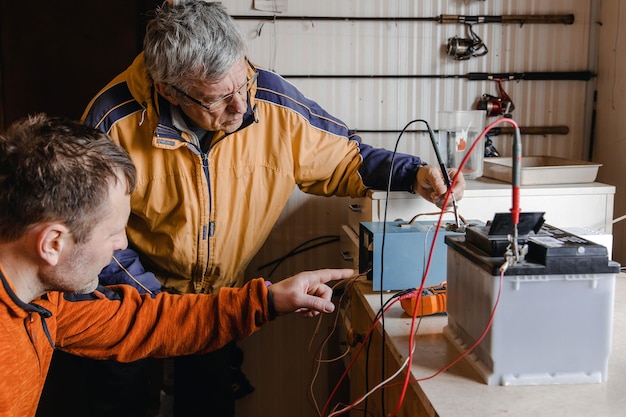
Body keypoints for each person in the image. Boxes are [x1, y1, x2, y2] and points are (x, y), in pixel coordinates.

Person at [42, 1, 467, 416]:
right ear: (167, 89)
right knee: (121, 402)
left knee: (208, 403)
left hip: (215, 300)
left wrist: (414, 174)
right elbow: (89, 234)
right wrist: (161, 308)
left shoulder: (268, 97)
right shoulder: (111, 119)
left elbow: (348, 158)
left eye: (242, 84)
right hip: (128, 298)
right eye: (217, 100)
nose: (242, 108)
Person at [0, 113, 355, 417]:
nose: (123, 244)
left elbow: (150, 322)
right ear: (53, 244)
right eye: (113, 232)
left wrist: (269, 300)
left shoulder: (46, 302)